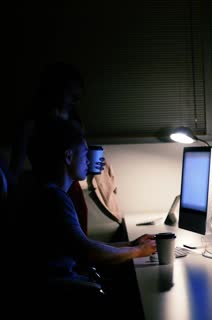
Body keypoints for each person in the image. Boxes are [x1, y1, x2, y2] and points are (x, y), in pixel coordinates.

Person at [17, 119, 155, 317]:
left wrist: (131, 244)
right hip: (62, 295)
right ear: (68, 156)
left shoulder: (41, 191)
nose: (89, 161)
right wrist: (136, 251)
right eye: (84, 154)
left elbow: (80, 245)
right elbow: (88, 252)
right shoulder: (53, 198)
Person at [9, 62, 100, 234]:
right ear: (55, 90)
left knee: (77, 241)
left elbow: (75, 158)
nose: (75, 100)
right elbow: (16, 166)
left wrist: (87, 165)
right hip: (46, 189)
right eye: (71, 94)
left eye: (78, 96)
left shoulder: (74, 120)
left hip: (71, 189)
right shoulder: (31, 124)